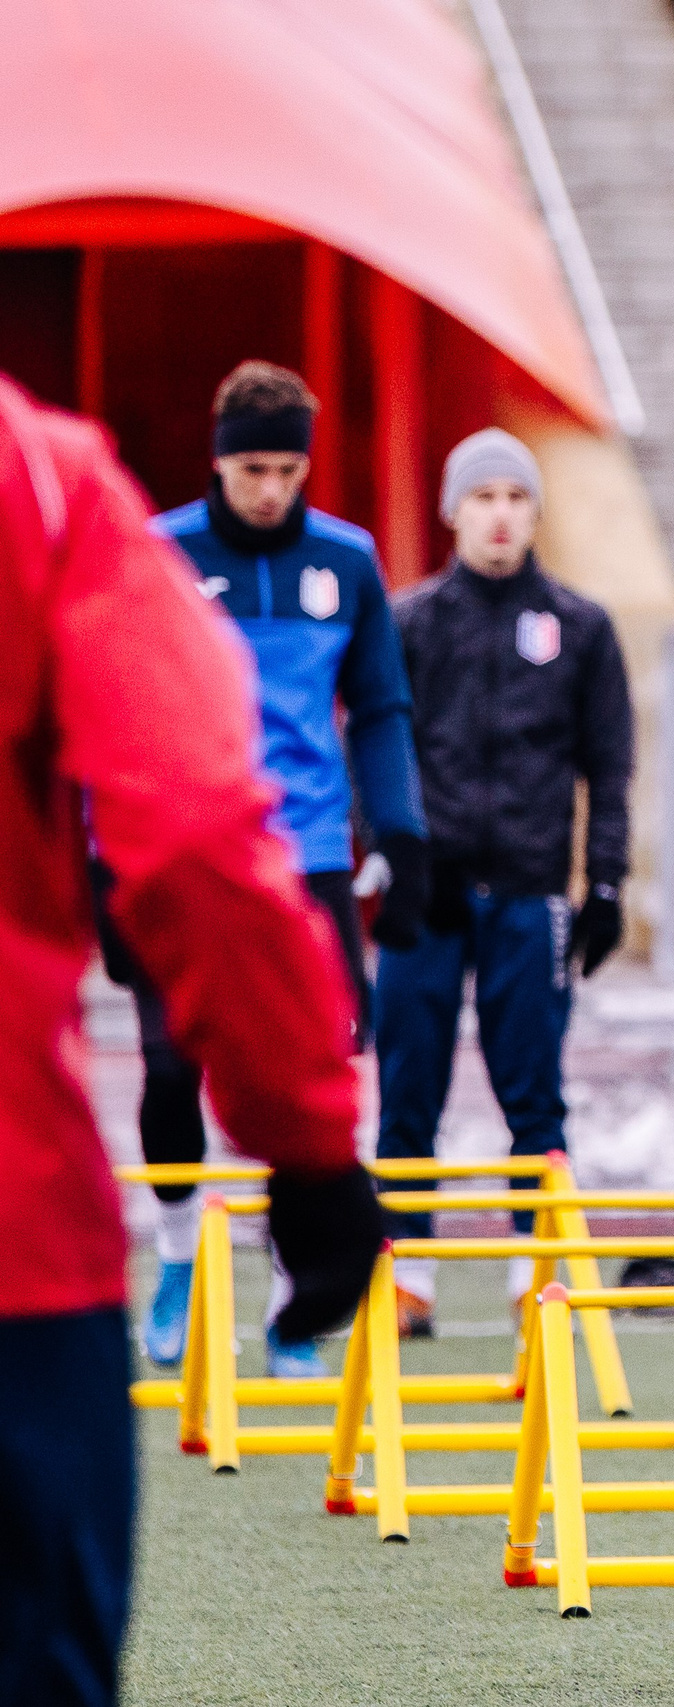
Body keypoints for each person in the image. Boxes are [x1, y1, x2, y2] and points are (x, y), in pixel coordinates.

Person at [0, 374, 382, 1706]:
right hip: (16, 1243)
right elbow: (197, 831)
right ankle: (180, 1266)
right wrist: (312, 1147)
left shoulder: (340, 562)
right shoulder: (42, 480)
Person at [118, 361, 426, 1379]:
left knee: (322, 1072)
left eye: (288, 469)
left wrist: (403, 832)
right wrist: (99, 854)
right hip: (188, 852)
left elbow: (379, 707)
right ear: (219, 463)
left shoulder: (348, 560)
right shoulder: (161, 553)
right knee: (170, 1064)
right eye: (253, 469)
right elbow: (118, 705)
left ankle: (300, 1296)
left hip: (312, 860)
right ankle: (173, 1258)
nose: (269, 490)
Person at [375, 429, 633, 1336]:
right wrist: (389, 863)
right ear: (453, 509)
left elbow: (609, 766)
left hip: (529, 894)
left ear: (534, 510)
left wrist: (604, 883)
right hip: (427, 895)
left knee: (535, 1092)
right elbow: (377, 748)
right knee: (410, 1088)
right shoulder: (406, 623)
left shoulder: (582, 626)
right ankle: (407, 1276)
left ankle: (537, 1276)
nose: (500, 514)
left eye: (516, 497)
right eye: (482, 496)